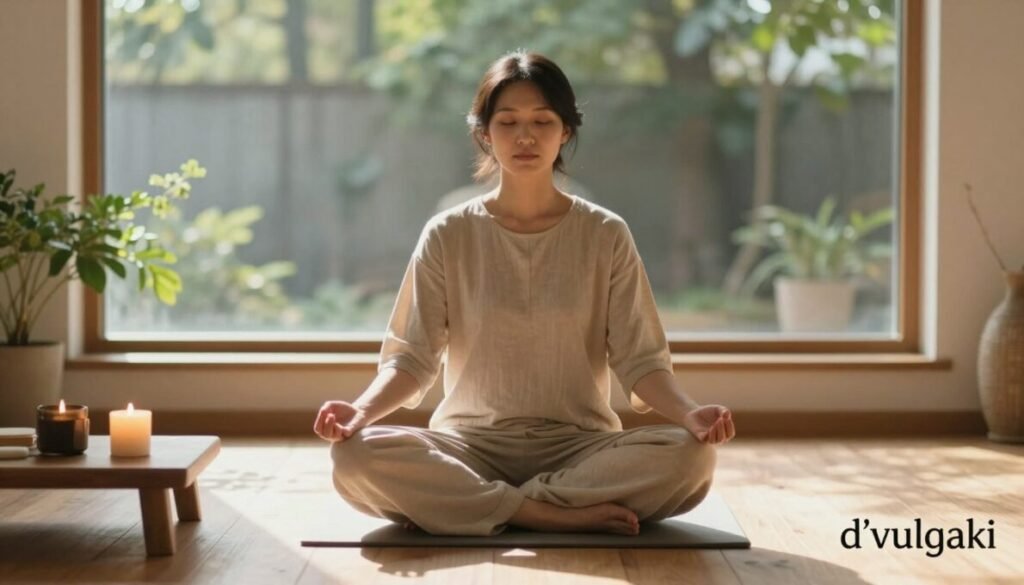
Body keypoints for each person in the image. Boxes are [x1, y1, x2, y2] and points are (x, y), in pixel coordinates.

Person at [313, 50, 736, 537]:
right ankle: (540, 512)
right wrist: (360, 411)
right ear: (484, 134)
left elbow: (641, 362)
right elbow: (412, 358)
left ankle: (484, 506)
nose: (526, 136)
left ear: (566, 131)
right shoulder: (447, 233)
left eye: (542, 120)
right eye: (508, 121)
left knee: (690, 458)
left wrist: (690, 413)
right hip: (468, 446)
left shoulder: (605, 233)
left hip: (580, 449)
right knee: (354, 455)